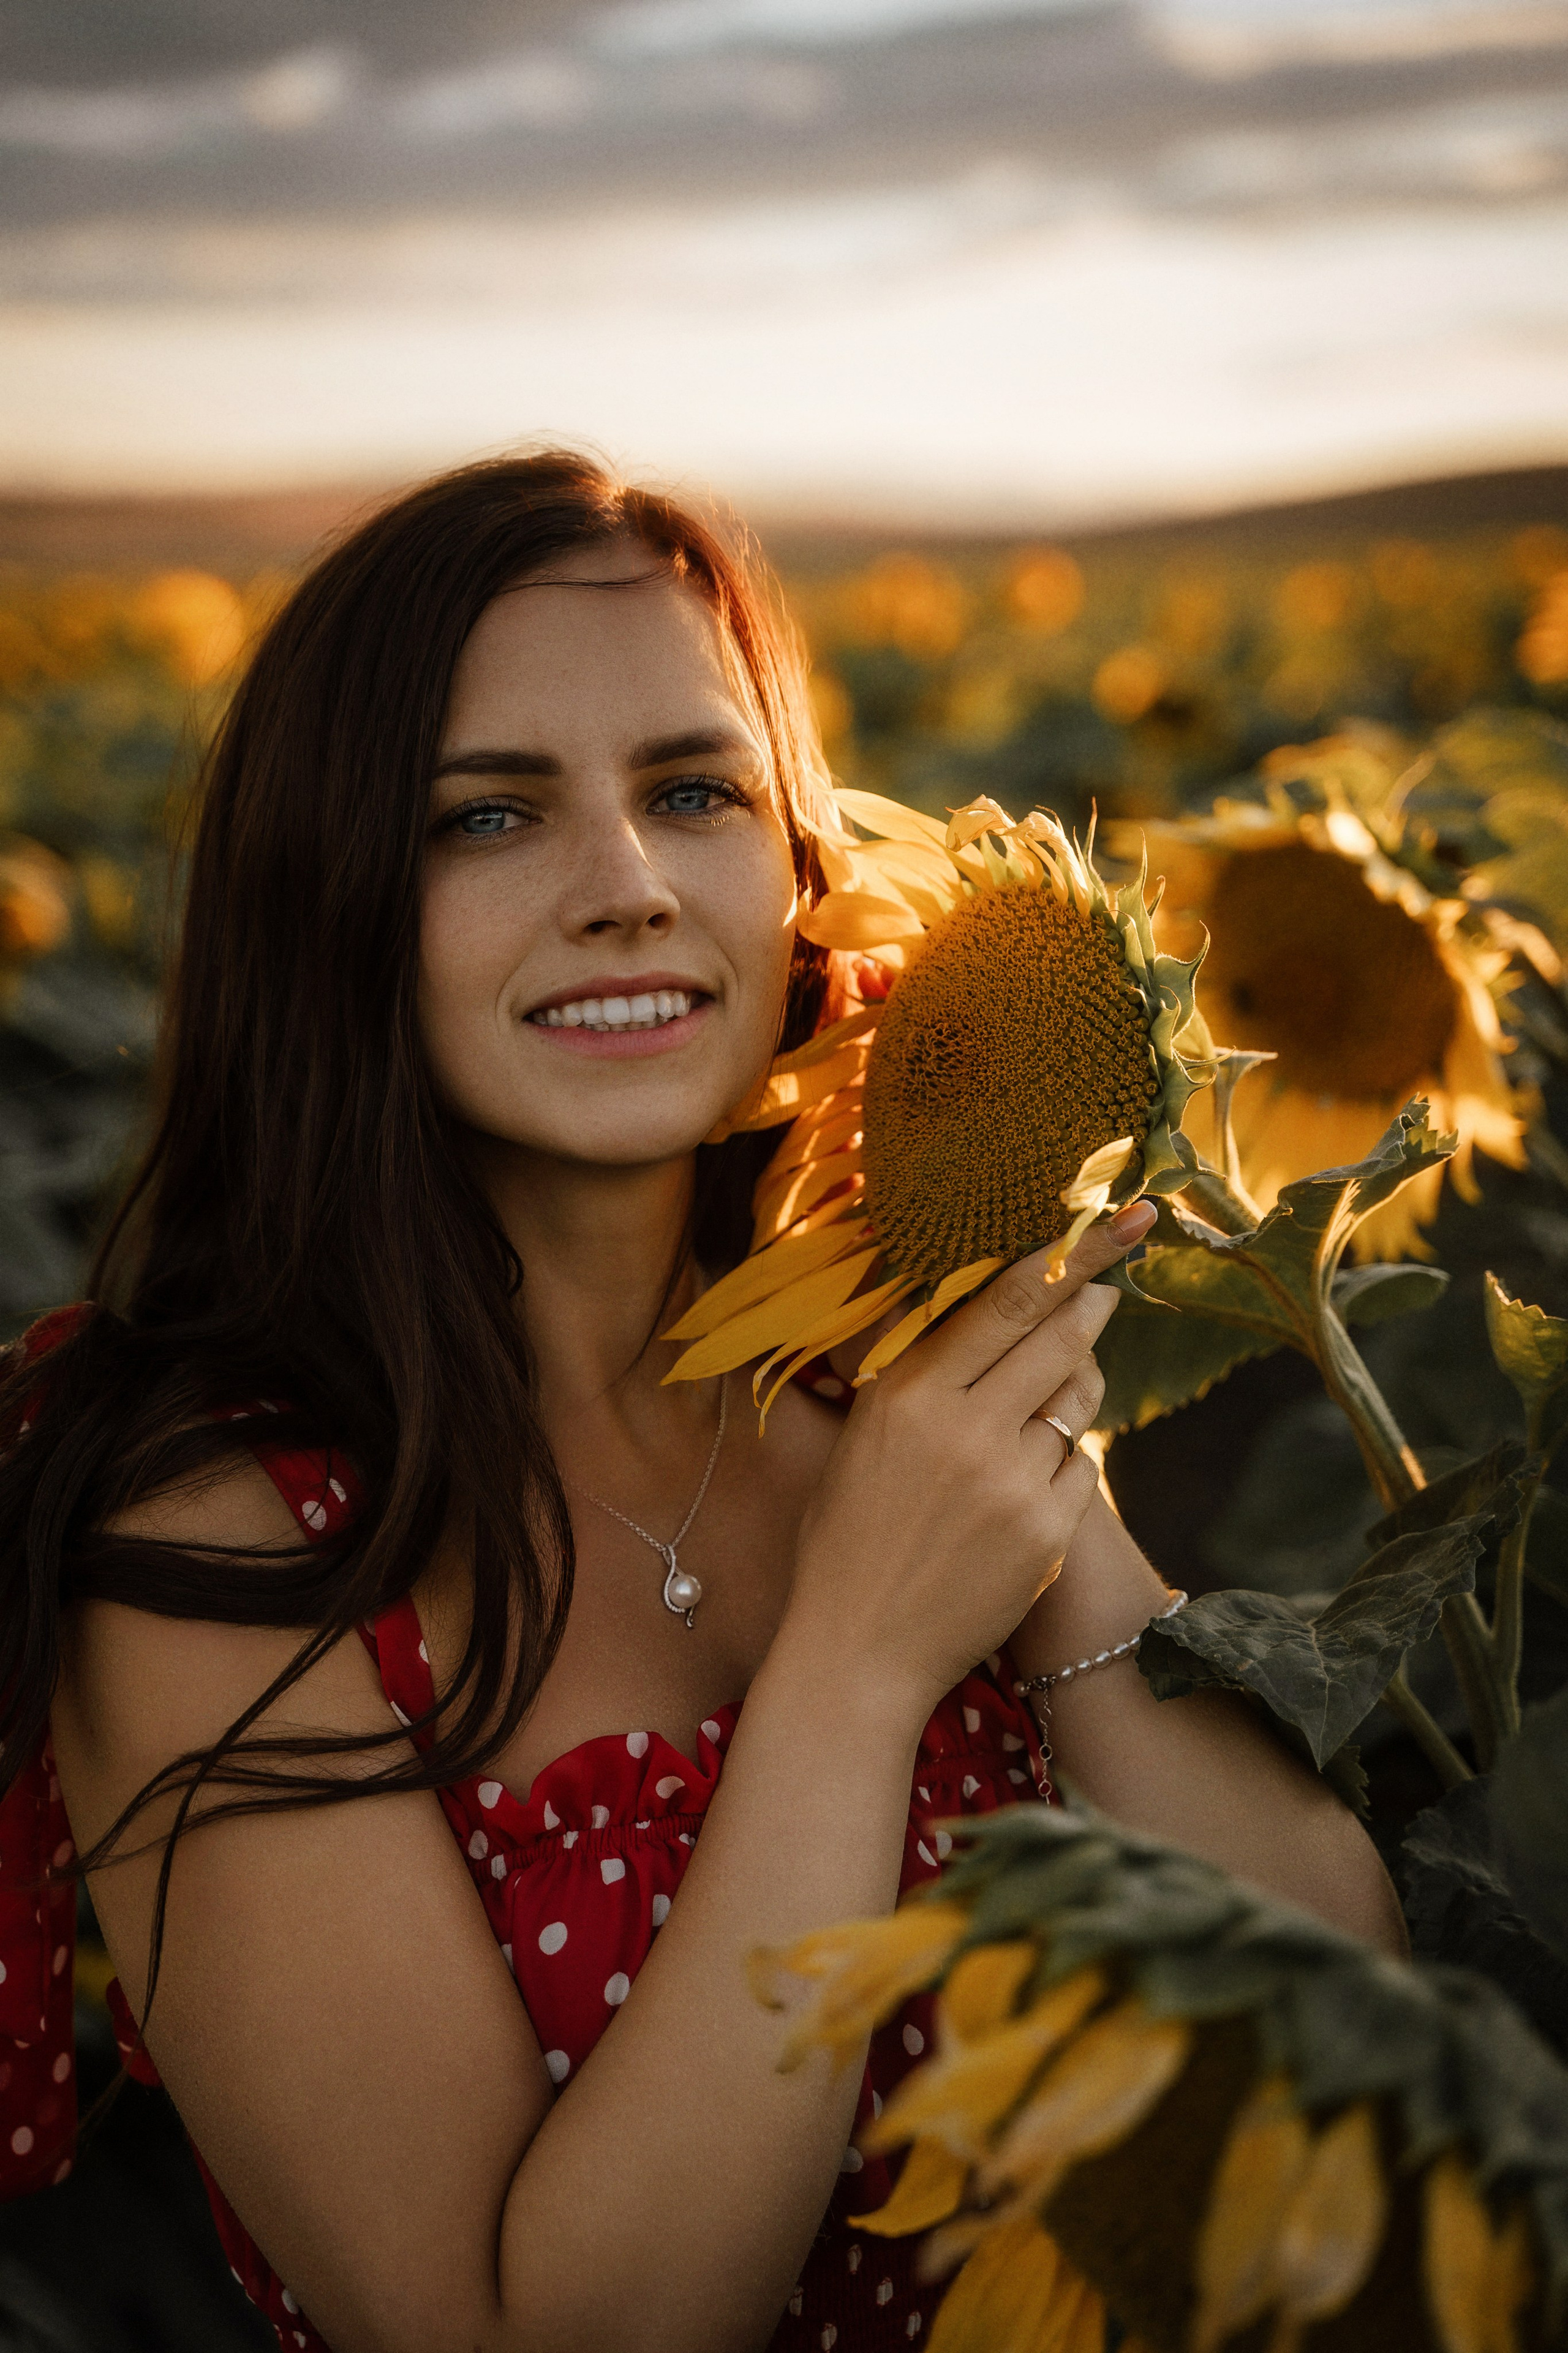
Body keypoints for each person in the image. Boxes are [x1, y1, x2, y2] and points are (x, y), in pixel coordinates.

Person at [0, 453, 1404, 2353]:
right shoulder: (213, 1540)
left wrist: (1024, 1477)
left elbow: (1344, 2001)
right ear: (325, 894)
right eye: (488, 818)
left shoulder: (873, 1355)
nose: (629, 888)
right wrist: (852, 1663)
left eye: (695, 791)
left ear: (802, 858)